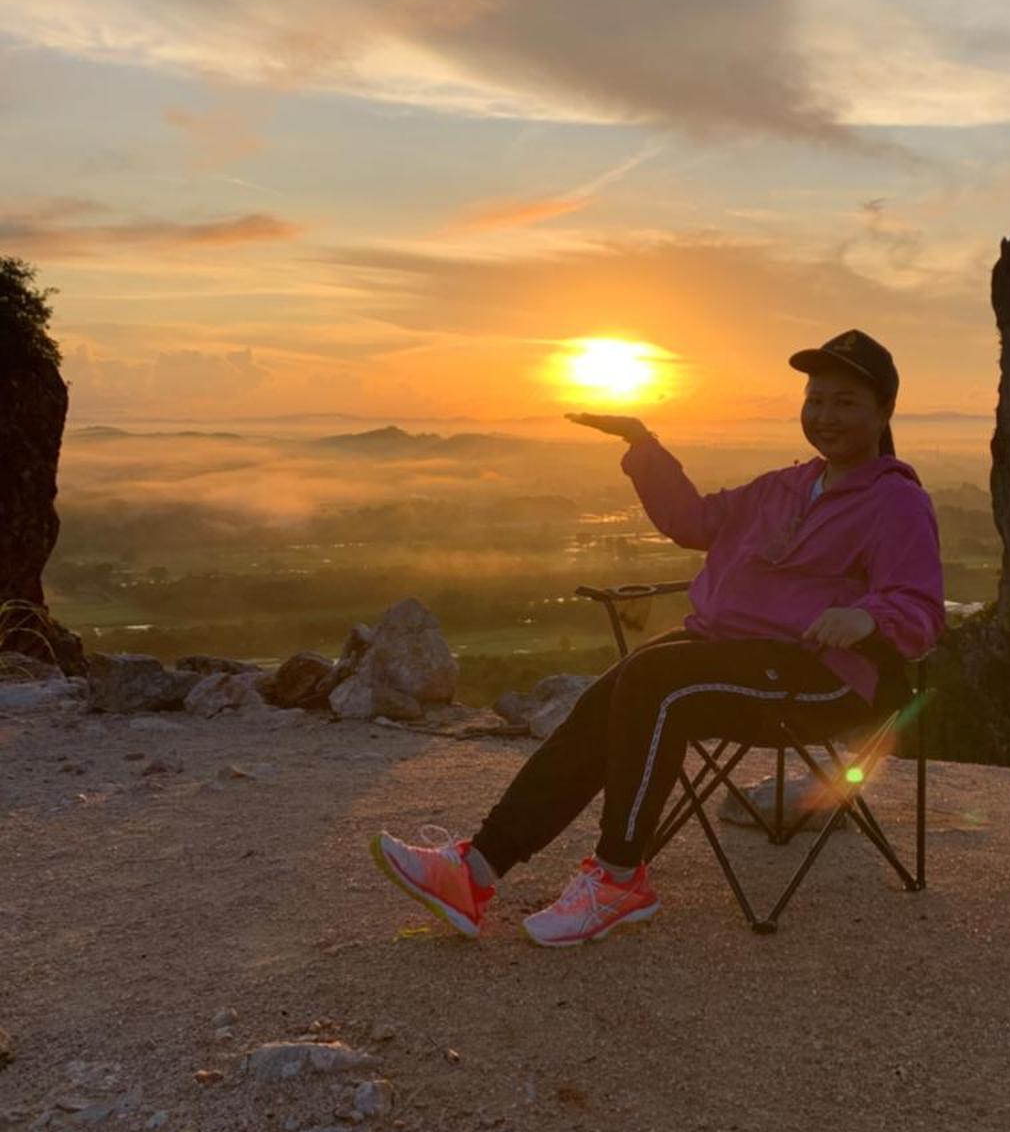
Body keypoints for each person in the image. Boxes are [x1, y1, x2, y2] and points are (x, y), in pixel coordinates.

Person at [369, 329, 945, 946]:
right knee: (611, 693)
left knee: (654, 683)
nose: (825, 415)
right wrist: (642, 445)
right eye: (816, 399)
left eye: (845, 402)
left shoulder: (896, 502)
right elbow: (693, 522)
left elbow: (921, 609)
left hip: (825, 678)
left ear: (883, 411)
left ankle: (618, 879)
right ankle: (475, 871)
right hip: (734, 655)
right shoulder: (784, 486)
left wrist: (868, 619)